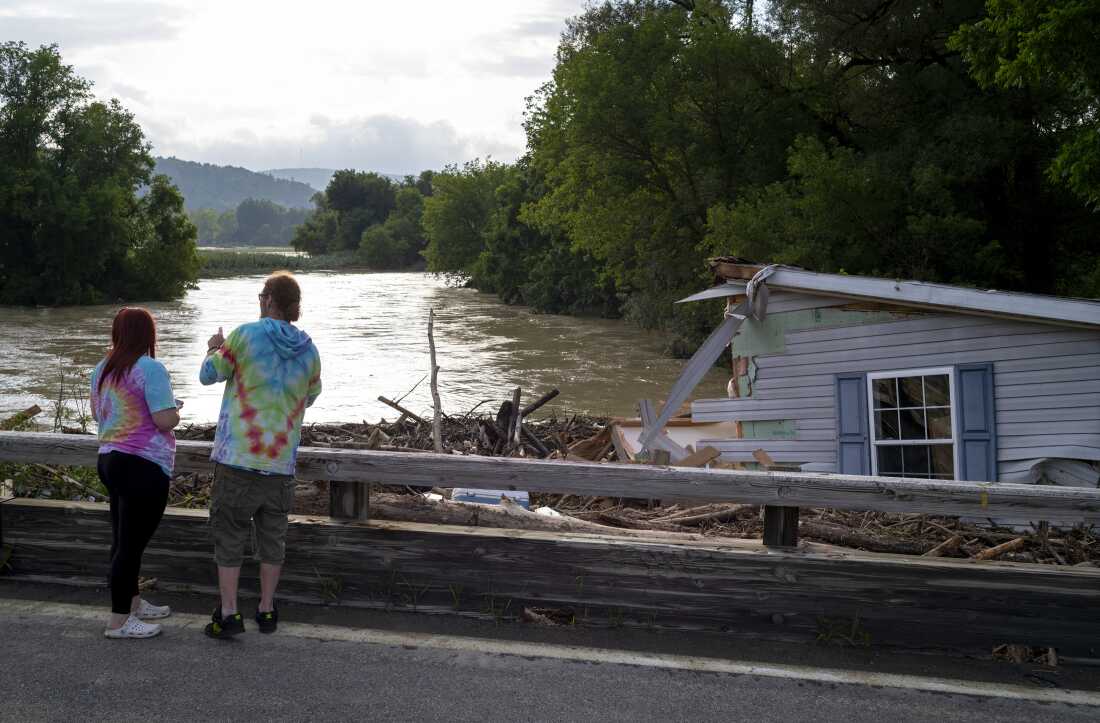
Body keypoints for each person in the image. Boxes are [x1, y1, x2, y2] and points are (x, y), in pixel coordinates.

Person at [199, 271, 321, 638]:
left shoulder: (245, 335)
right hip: (281, 463)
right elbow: (311, 396)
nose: (258, 300)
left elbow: (208, 375)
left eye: (261, 295)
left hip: (238, 458)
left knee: (230, 535)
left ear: (269, 300)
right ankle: (267, 610)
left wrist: (212, 347)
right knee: (273, 538)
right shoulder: (309, 350)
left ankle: (230, 614)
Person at [90, 307, 180, 639]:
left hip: (110, 459)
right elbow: (164, 420)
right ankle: (118, 622)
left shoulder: (102, 367)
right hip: (143, 464)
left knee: (124, 538)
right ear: (148, 335)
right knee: (130, 545)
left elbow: (99, 413)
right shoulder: (150, 368)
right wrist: (175, 411)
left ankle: (133, 603)